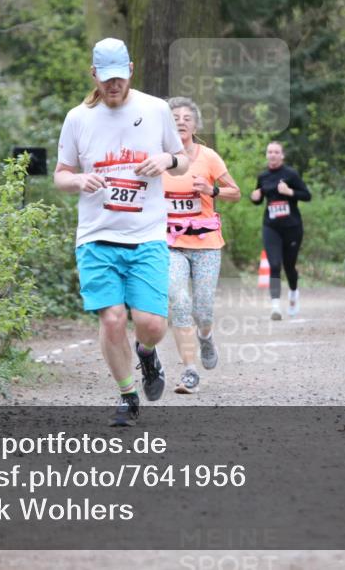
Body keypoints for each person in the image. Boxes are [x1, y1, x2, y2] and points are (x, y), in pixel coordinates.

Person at [54, 38, 189, 426]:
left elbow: (180, 163)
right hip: (96, 236)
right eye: (105, 79)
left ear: (130, 70)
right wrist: (79, 180)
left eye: (119, 78)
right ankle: (127, 395)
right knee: (112, 319)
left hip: (146, 234)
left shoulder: (155, 108)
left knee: (150, 325)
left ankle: (147, 354)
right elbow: (61, 176)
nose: (113, 86)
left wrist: (167, 158)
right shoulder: (77, 118)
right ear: (93, 74)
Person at [162, 97, 241, 394]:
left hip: (206, 244)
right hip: (171, 244)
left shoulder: (208, 157)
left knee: (202, 310)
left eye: (187, 118)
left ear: (195, 125)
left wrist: (212, 190)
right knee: (180, 304)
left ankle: (206, 337)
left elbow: (236, 192)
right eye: (175, 118)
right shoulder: (158, 158)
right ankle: (189, 370)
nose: (181, 122)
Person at [249, 141, 311, 321]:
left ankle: (293, 293)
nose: (273, 155)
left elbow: (306, 195)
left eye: (276, 152)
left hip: (292, 227)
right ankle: (275, 306)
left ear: (282, 155)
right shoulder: (263, 176)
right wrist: (255, 197)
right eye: (270, 152)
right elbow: (258, 199)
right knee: (274, 264)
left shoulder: (290, 174)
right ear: (267, 155)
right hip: (271, 227)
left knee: (289, 266)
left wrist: (290, 192)